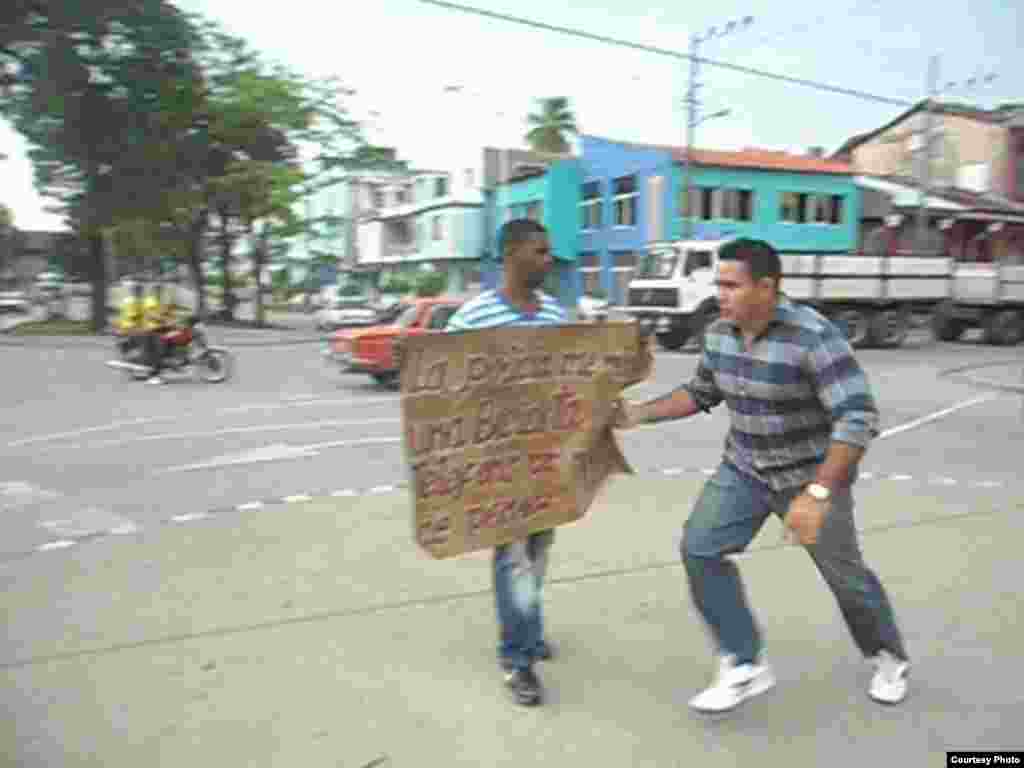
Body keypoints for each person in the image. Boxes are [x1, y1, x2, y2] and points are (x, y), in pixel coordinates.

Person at [613, 237, 910, 713]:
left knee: (845, 577)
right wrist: (638, 415)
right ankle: (744, 662)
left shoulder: (813, 336)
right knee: (700, 548)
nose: (721, 294)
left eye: (731, 285)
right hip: (746, 468)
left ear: (767, 287)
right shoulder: (718, 333)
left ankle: (888, 656)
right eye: (719, 285)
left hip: (809, 475)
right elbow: (701, 391)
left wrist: (815, 494)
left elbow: (858, 418)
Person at [141, 282, 175, 385]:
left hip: (160, 327)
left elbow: (167, 312)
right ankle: (154, 376)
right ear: (153, 290)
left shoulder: (160, 302)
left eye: (161, 289)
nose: (159, 291)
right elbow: (151, 314)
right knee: (160, 349)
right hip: (151, 329)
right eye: (157, 289)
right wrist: (163, 320)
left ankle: (172, 362)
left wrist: (174, 317)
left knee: (173, 337)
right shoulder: (150, 300)